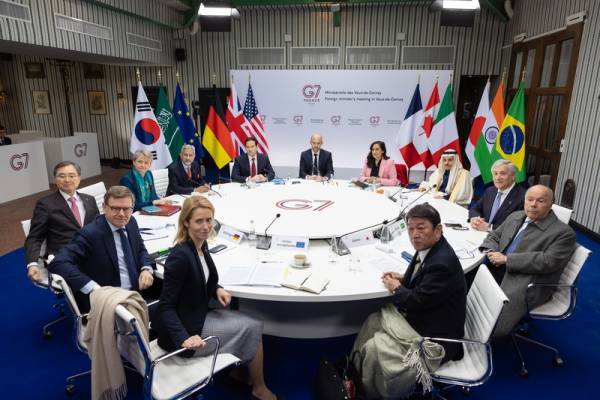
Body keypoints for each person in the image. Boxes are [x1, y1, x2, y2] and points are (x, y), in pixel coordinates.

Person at [153, 196, 279, 400]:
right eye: (199, 221)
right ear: (186, 223)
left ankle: (239, 374)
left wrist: (216, 289)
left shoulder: (199, 245)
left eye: (209, 220)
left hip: (196, 316)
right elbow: (165, 306)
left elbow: (200, 278)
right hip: (186, 334)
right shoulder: (180, 256)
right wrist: (184, 338)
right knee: (254, 326)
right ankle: (259, 389)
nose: (206, 227)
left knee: (249, 323)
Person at [352, 204, 466, 398]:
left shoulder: (442, 263)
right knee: (373, 320)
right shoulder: (431, 247)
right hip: (428, 319)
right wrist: (405, 278)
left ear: (438, 229)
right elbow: (426, 284)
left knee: (374, 348)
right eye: (411, 229)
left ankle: (371, 392)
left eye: (421, 228)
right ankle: (356, 373)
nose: (415, 234)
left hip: (435, 339)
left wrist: (396, 287)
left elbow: (415, 301)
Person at [479, 185, 576, 338]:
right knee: (464, 284)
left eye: (540, 201)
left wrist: (507, 259)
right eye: (529, 199)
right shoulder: (516, 216)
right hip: (497, 266)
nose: (533, 204)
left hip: (529, 281)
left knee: (489, 324)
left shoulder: (564, 233)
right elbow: (494, 236)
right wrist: (491, 251)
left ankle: (481, 338)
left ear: (551, 204)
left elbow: (548, 261)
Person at [48, 186, 158, 313]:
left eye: (126, 209)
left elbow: (141, 249)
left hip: (137, 293)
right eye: (115, 208)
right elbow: (58, 263)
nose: (121, 214)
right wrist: (94, 288)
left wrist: (146, 269)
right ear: (104, 207)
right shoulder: (90, 234)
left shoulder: (131, 222)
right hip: (109, 303)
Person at [25, 161, 99, 283]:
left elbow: (98, 227)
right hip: (65, 257)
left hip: (92, 252)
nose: (67, 180)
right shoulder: (45, 204)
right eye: (62, 176)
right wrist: (32, 264)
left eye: (71, 175)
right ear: (55, 179)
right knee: (90, 284)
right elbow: (35, 237)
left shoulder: (89, 199)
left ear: (79, 178)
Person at [469, 160, 526, 231]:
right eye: (495, 174)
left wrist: (490, 228)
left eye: (502, 173)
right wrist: (475, 219)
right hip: (480, 232)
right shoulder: (490, 191)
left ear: (513, 176)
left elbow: (518, 226)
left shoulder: (523, 197)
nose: (498, 177)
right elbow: (475, 209)